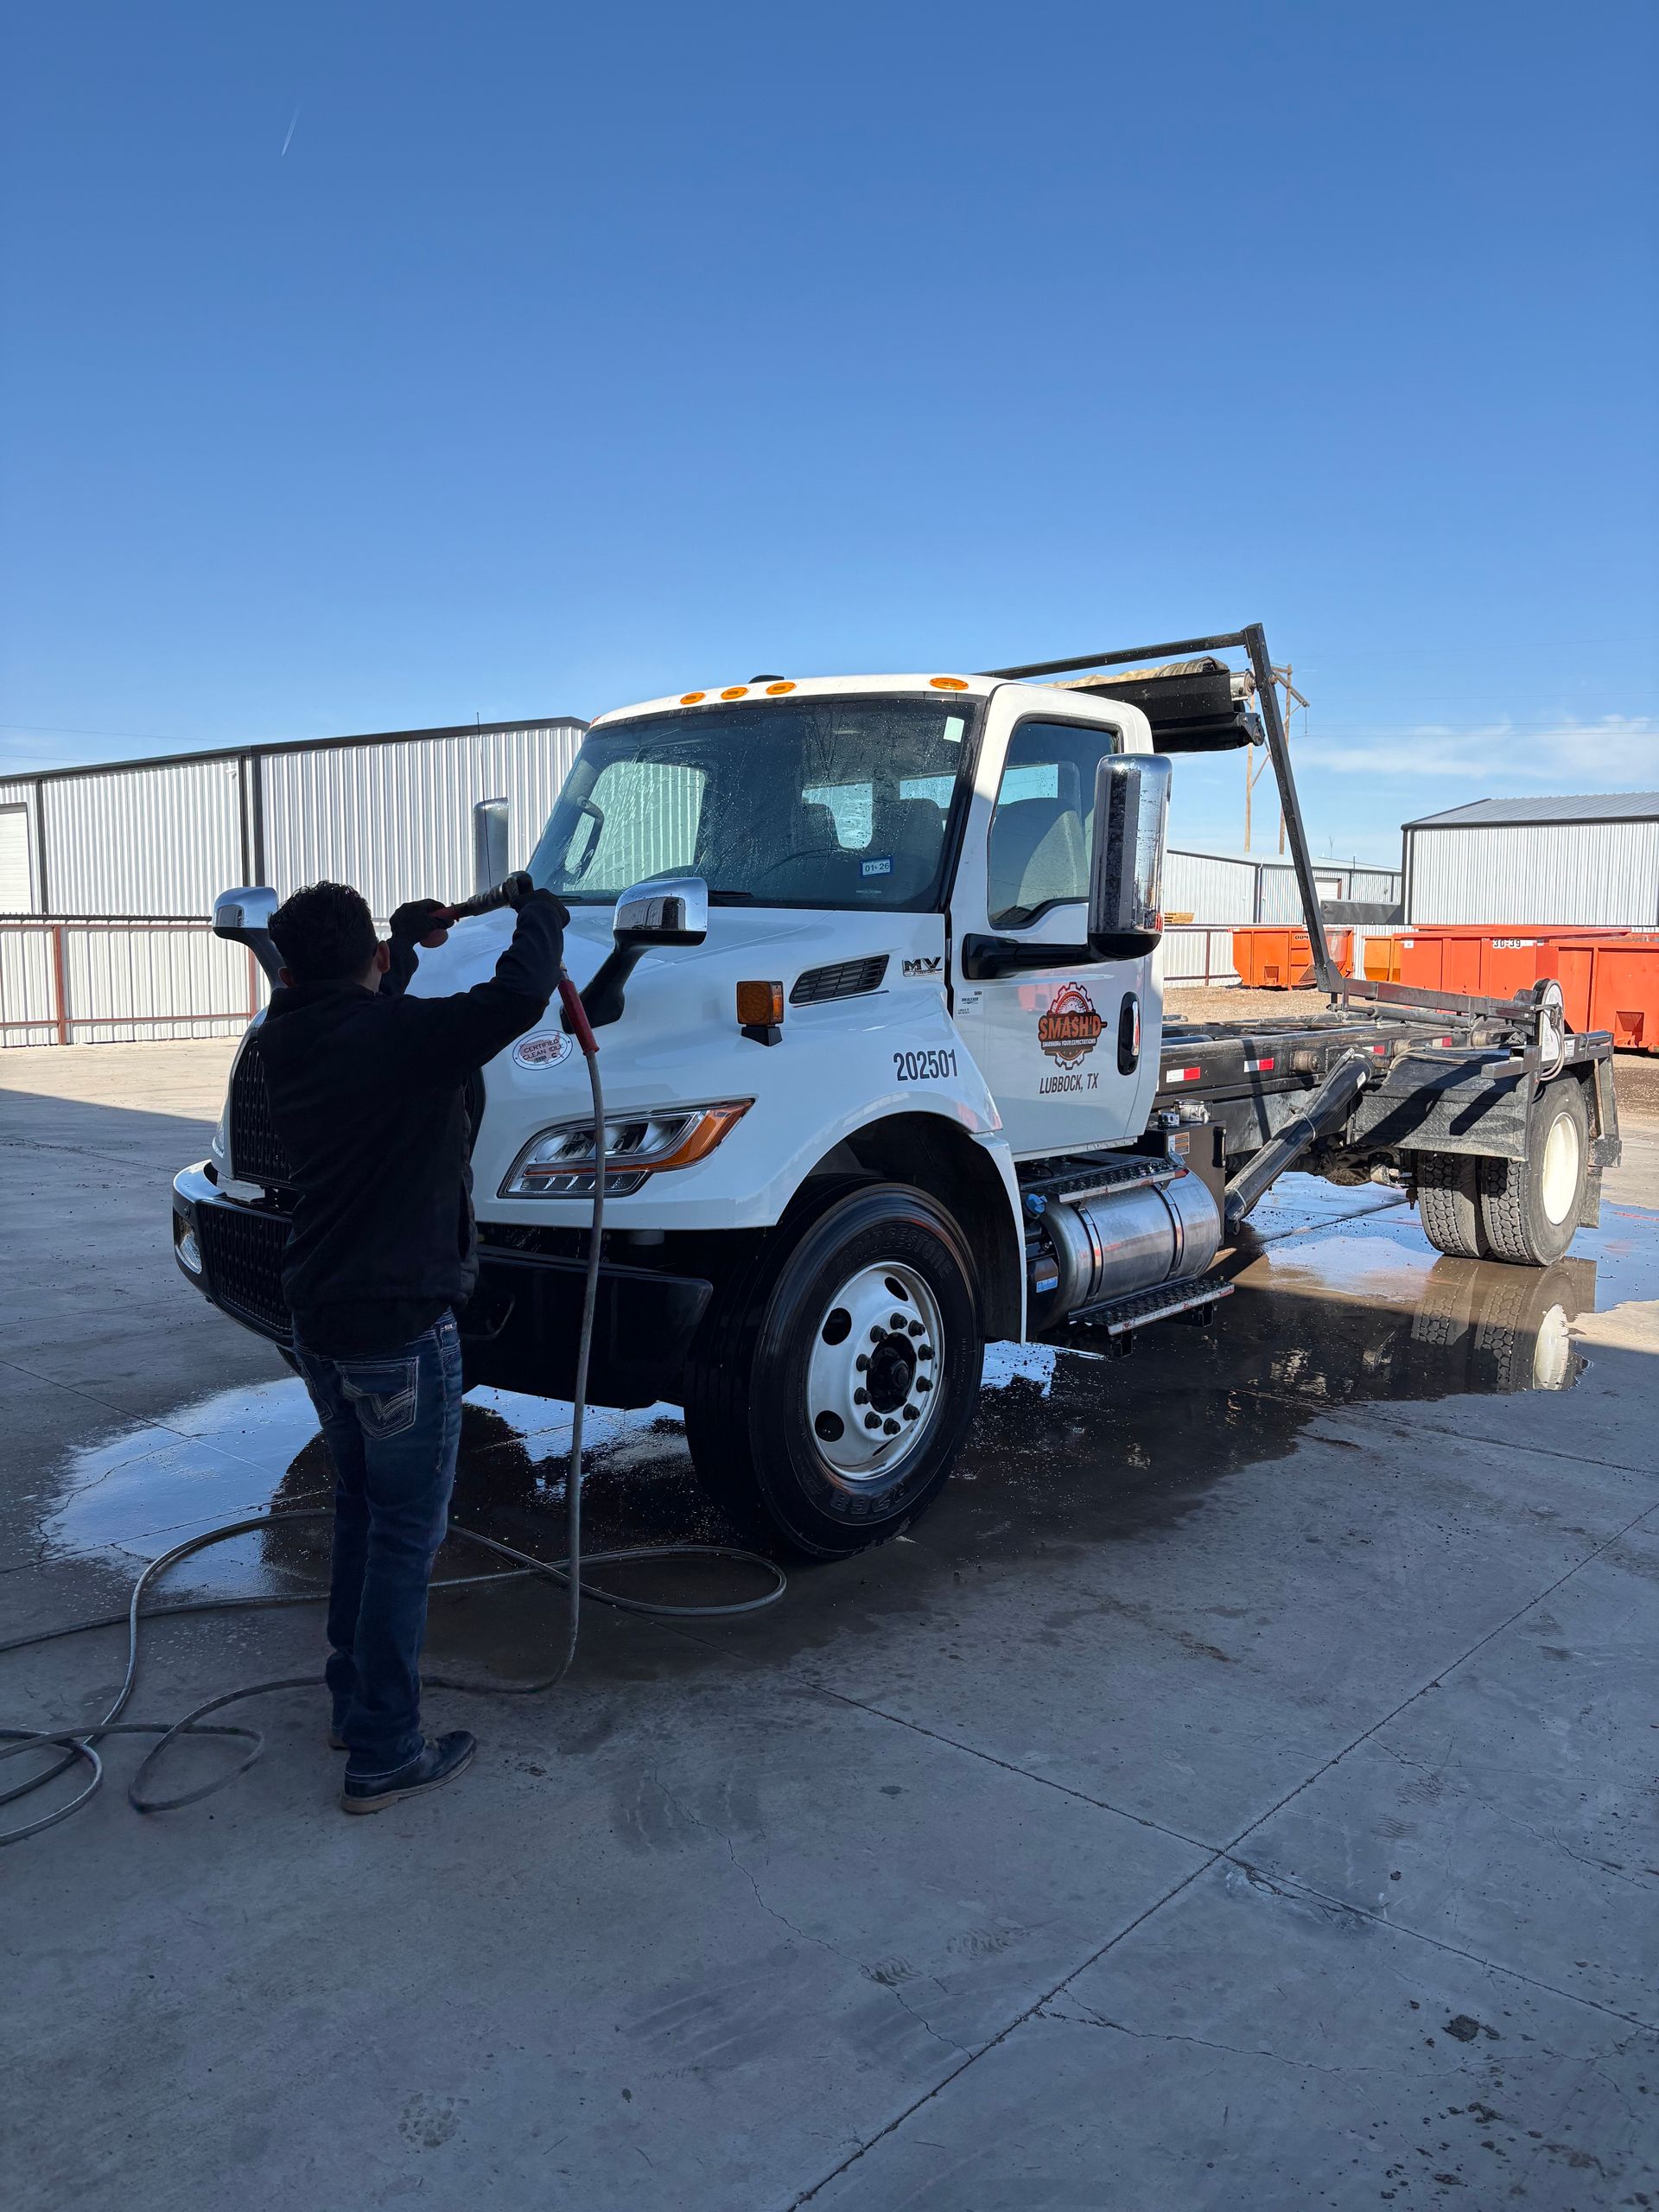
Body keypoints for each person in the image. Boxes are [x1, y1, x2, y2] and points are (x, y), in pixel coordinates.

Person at [260, 877, 567, 1814]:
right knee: (403, 1534)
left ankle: (356, 1706)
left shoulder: (288, 1036)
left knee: (362, 1508)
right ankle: (388, 1748)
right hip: (399, 1322)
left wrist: (395, 954)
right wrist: (541, 920)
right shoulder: (391, 1039)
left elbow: (367, 1032)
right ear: (370, 959)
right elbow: (516, 999)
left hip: (320, 1317)